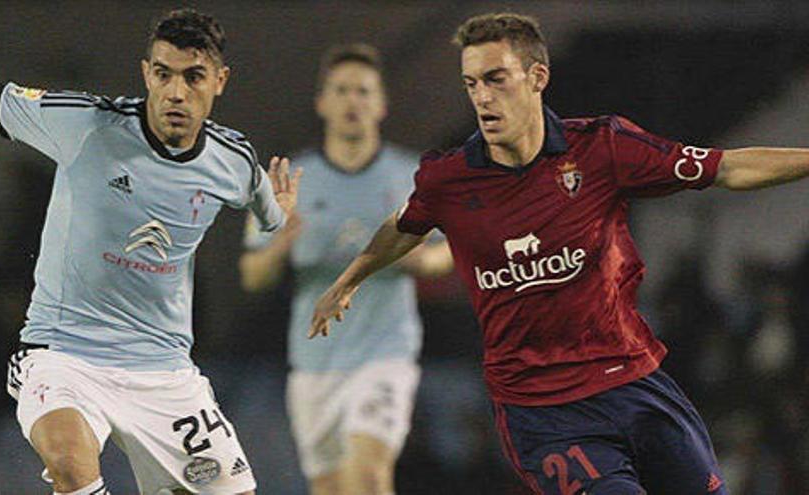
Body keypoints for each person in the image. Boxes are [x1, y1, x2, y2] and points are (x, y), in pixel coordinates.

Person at [310, 12, 809, 495]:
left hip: (634, 382)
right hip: (544, 412)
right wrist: (348, 280)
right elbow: (404, 227)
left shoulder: (602, 148)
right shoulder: (449, 179)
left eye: (496, 79)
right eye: (471, 84)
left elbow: (728, 169)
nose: (482, 97)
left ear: (537, 77)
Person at [0, 8, 301, 495]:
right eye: (163, 74)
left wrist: (279, 213)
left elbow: (270, 217)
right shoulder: (85, 124)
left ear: (220, 81)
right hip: (64, 355)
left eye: (193, 78)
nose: (175, 92)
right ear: (147, 73)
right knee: (69, 460)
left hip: (164, 372)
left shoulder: (232, 162)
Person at [239, 44, 452, 495]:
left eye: (363, 91)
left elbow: (447, 255)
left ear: (381, 104)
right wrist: (280, 246)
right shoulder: (289, 180)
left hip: (385, 354)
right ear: (322, 102)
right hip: (314, 362)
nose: (352, 100)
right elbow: (253, 277)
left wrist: (414, 257)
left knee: (369, 477)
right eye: (341, 90)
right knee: (332, 489)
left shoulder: (410, 175)